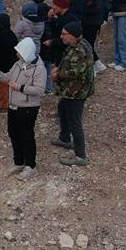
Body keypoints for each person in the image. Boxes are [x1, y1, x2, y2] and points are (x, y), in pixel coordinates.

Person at [0, 38, 47, 180]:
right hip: (13, 106)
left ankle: (30, 166)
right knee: (13, 133)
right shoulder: (18, 64)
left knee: (26, 136)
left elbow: (39, 90)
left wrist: (20, 87)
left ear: (26, 53)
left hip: (28, 108)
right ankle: (19, 161)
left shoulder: (39, 69)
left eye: (19, 52)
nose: (17, 54)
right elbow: (9, 78)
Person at [51, 21, 95, 167]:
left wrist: (58, 75)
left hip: (76, 92)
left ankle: (80, 155)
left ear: (73, 35)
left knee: (75, 122)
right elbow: (68, 62)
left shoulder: (80, 50)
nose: (61, 36)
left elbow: (76, 72)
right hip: (70, 91)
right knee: (62, 108)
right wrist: (59, 69)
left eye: (64, 34)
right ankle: (64, 138)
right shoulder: (75, 45)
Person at [42, 0, 78, 92]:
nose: (53, 7)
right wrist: (51, 18)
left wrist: (52, 42)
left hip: (65, 52)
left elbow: (67, 39)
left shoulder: (70, 19)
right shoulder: (61, 15)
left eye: (55, 5)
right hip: (59, 51)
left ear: (62, 6)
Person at [82, 0, 109, 74]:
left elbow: (97, 9)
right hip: (91, 22)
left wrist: (83, 9)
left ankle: (94, 66)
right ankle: (97, 64)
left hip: (92, 23)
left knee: (88, 45)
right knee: (88, 44)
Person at [0, 13, 19, 113]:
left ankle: (5, 105)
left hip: (3, 66)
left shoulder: (1, 37)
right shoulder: (11, 34)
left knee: (2, 85)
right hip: (13, 64)